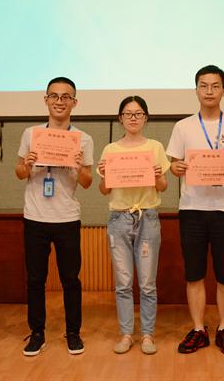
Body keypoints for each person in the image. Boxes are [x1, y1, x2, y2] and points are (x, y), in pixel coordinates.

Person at [166, 65, 224, 355]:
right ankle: (198, 329)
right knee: (194, 273)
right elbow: (173, 164)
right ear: (196, 90)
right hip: (192, 208)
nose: (209, 91)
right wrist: (176, 167)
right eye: (204, 86)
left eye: (215, 86)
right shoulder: (183, 126)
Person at [15, 77, 93, 356]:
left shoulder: (83, 138)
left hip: (67, 217)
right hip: (35, 216)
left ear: (74, 102)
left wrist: (78, 167)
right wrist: (27, 164)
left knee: (71, 279)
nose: (60, 102)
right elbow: (19, 173)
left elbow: (87, 182)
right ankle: (37, 333)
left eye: (66, 97)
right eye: (54, 96)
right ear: (46, 100)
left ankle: (73, 333)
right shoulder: (31, 134)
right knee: (36, 280)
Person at [97, 96, 170, 355]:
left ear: (146, 118)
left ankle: (147, 334)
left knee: (147, 283)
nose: (133, 118)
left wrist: (158, 175)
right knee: (123, 282)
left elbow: (163, 187)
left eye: (138, 114)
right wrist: (106, 175)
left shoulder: (155, 147)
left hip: (148, 217)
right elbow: (104, 190)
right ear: (120, 118)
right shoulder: (110, 150)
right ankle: (127, 334)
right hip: (119, 219)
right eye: (128, 114)